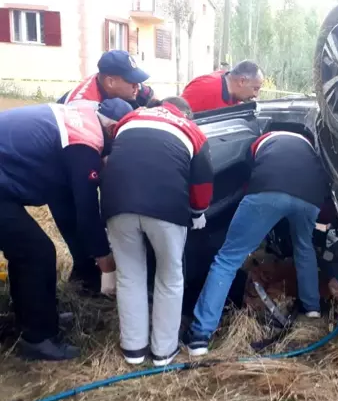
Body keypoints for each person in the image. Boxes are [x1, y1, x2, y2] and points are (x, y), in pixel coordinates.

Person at [0, 98, 132, 360]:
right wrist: (106, 262)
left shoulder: (82, 116)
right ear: (112, 129)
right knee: (36, 253)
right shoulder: (85, 142)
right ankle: (37, 339)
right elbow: (85, 209)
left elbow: (69, 204)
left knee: (30, 251)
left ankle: (38, 317)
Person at [182, 131, 330, 357]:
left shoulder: (261, 142)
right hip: (310, 197)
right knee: (304, 247)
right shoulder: (309, 148)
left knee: (227, 259)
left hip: (267, 190)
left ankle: (200, 336)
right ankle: (312, 309)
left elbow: (250, 177)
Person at [100, 97, 214, 366]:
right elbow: (203, 180)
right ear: (186, 113)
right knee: (170, 277)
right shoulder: (192, 131)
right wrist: (198, 212)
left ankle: (133, 350)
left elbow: (115, 159)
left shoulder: (130, 119)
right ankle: (163, 352)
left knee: (129, 277)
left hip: (116, 204)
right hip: (167, 208)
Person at [56, 50, 155, 295]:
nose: (138, 87)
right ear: (110, 81)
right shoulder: (81, 105)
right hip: (67, 156)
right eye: (131, 82)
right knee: (76, 210)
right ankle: (87, 270)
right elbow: (84, 156)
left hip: (100, 138)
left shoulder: (126, 87)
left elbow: (151, 100)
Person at [180, 59, 264, 113]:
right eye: (255, 89)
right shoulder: (204, 88)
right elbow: (175, 116)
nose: (256, 95)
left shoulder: (235, 93)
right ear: (242, 81)